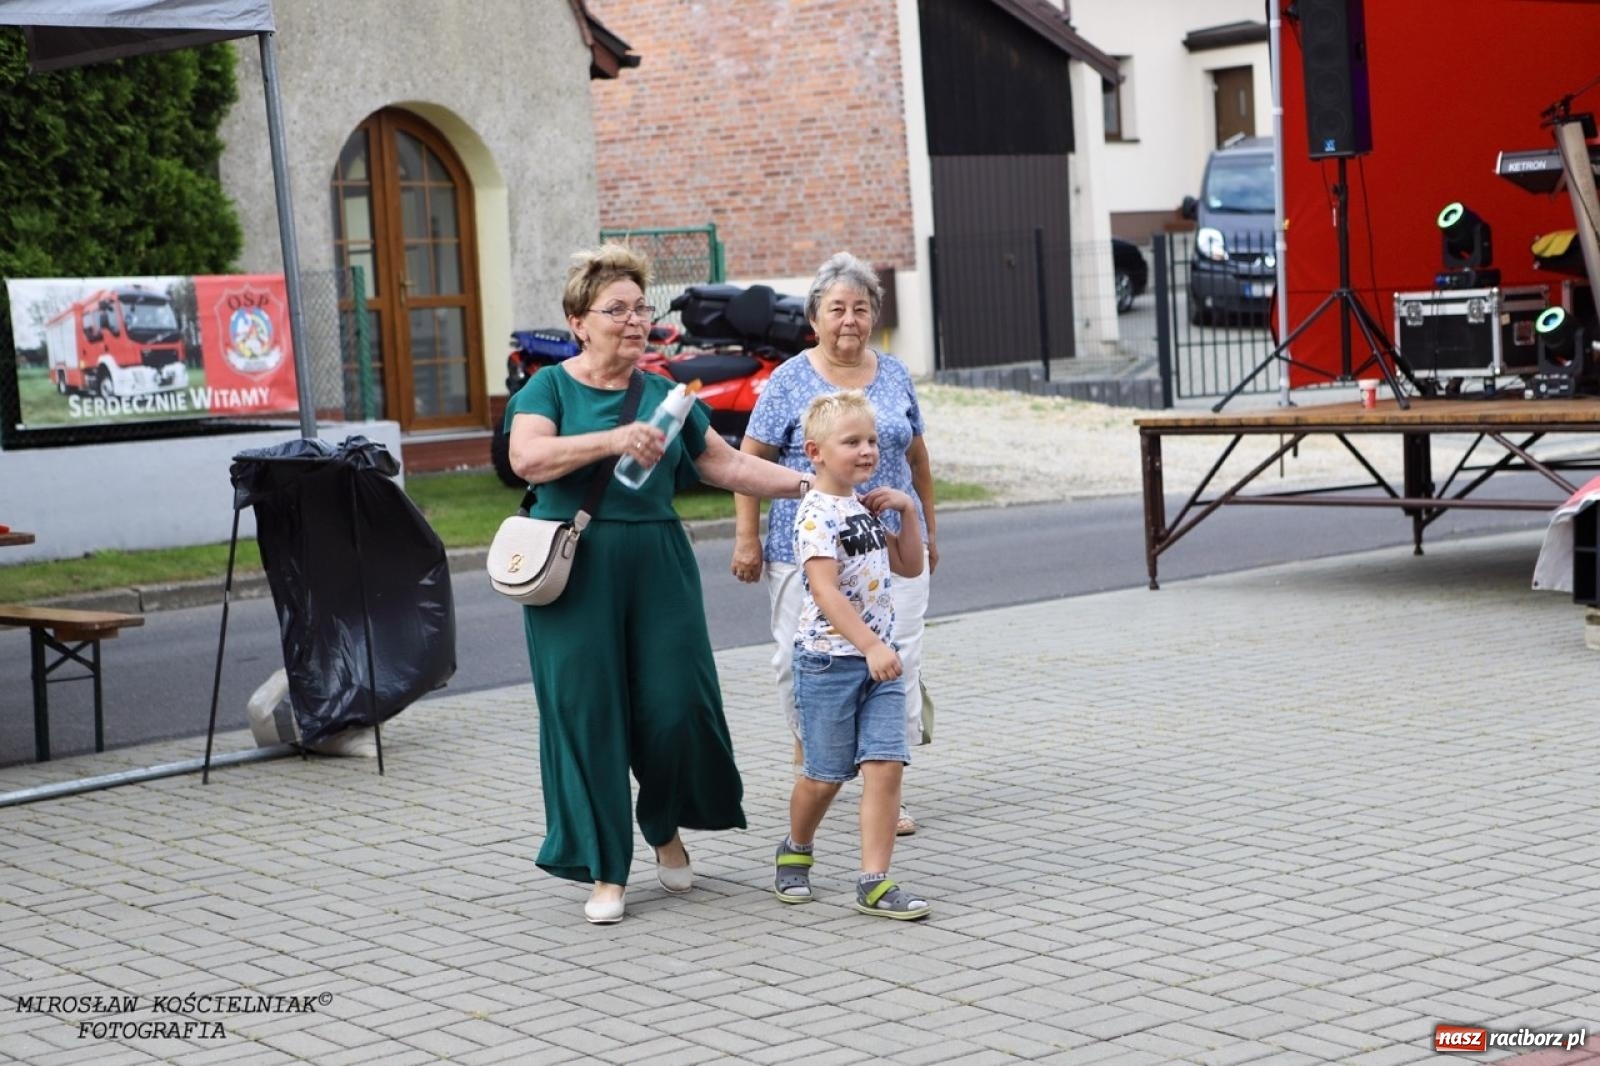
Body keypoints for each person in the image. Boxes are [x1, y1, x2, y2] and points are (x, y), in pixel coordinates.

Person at [506, 244, 816, 925]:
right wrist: (612, 442)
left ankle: (662, 825)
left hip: (658, 563)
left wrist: (810, 486)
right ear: (577, 321)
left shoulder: (665, 393)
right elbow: (527, 456)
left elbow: (726, 466)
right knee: (589, 717)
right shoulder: (549, 389)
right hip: (575, 566)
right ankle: (605, 870)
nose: (634, 319)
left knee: (676, 708)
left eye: (641, 307)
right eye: (616, 309)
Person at [731, 252, 937, 835]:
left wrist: (928, 530)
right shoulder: (789, 379)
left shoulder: (894, 374)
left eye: (861, 308)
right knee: (799, 660)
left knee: (900, 658)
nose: (850, 319)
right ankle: (812, 760)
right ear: (814, 318)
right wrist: (746, 537)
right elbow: (749, 463)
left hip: (894, 542)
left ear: (875, 316)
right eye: (836, 308)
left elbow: (917, 457)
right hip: (810, 546)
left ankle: (885, 783)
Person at [772, 390, 930, 919]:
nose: (866, 451)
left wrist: (907, 510)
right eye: (852, 442)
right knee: (825, 776)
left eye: (870, 441)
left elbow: (908, 566)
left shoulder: (862, 507)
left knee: (886, 765)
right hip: (830, 663)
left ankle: (875, 881)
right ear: (815, 452)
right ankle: (795, 849)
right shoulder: (816, 514)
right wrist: (870, 645)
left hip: (877, 665)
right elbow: (824, 591)